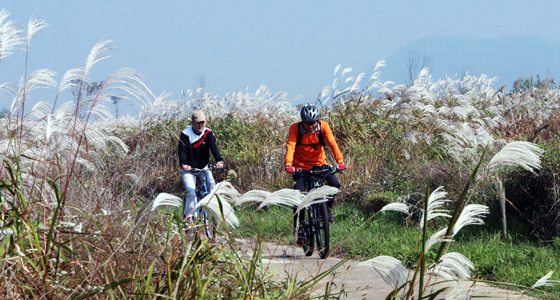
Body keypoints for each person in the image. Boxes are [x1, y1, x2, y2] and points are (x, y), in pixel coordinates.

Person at [285, 104, 346, 244]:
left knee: (335, 184)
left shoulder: (323, 126)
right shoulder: (295, 128)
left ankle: (326, 210)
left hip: (320, 165)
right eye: (308, 123)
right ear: (302, 121)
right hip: (300, 167)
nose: (311, 126)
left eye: (313, 123)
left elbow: (332, 144)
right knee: (298, 196)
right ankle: (300, 230)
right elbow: (291, 145)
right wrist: (289, 164)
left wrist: (340, 161)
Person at [178, 110, 224, 223]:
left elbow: (214, 148)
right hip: (189, 169)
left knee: (211, 183)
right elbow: (182, 152)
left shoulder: (208, 133)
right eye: (198, 123)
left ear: (206, 122)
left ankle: (212, 208)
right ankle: (189, 216)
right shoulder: (185, 134)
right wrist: (184, 164)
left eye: (202, 122)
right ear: (192, 122)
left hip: (203, 168)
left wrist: (219, 160)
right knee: (191, 190)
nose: (200, 125)